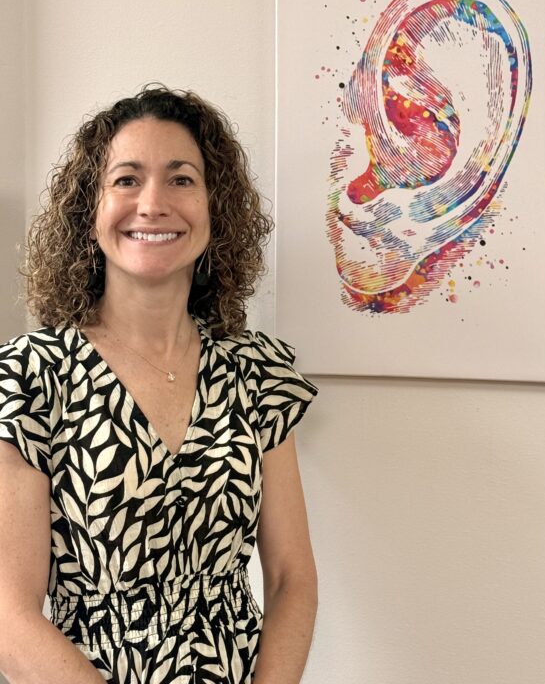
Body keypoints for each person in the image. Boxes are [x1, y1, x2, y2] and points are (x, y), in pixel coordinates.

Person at [0, 84, 319, 684]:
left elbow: (291, 579)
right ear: (88, 211)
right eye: (126, 179)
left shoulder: (257, 373)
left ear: (214, 208)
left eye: (181, 179)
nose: (152, 203)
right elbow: (8, 620)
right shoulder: (29, 377)